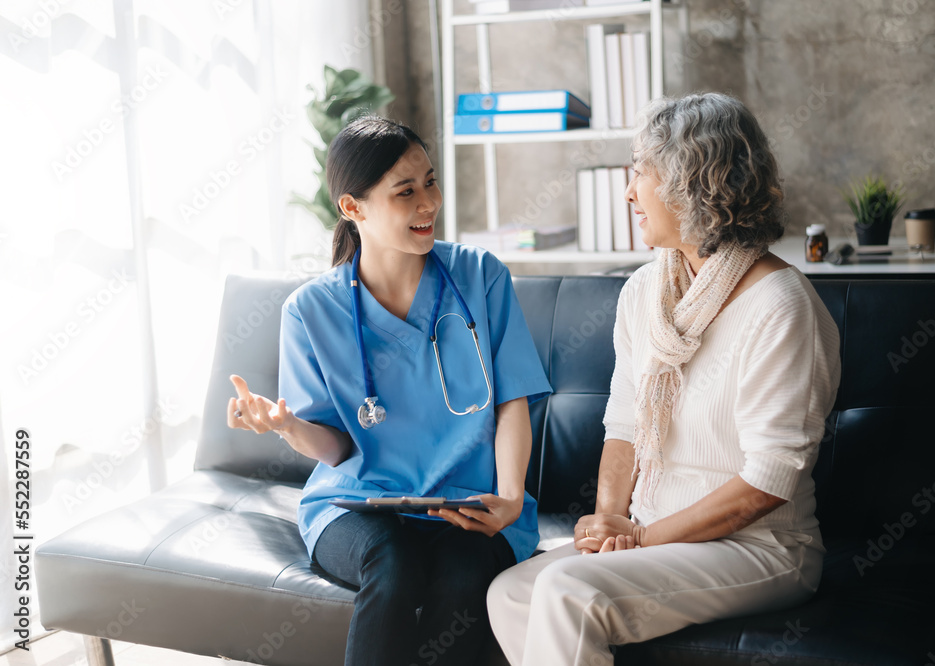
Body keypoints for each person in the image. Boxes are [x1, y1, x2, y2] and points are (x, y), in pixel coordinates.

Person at [487, 92, 842, 665]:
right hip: (651, 530)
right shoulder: (645, 292)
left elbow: (768, 481)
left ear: (691, 182)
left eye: (639, 173)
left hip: (762, 547)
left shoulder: (781, 305)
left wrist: (640, 540)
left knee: (569, 590)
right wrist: (610, 518)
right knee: (510, 592)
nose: (629, 193)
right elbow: (625, 423)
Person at [227, 116, 551, 666]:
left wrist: (512, 498)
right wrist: (285, 426)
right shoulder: (310, 312)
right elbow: (332, 449)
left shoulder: (480, 276)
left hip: (470, 506)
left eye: (430, 182)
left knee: (464, 574)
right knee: (392, 562)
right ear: (353, 209)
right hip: (356, 506)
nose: (429, 202)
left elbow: (510, 402)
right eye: (406, 192)